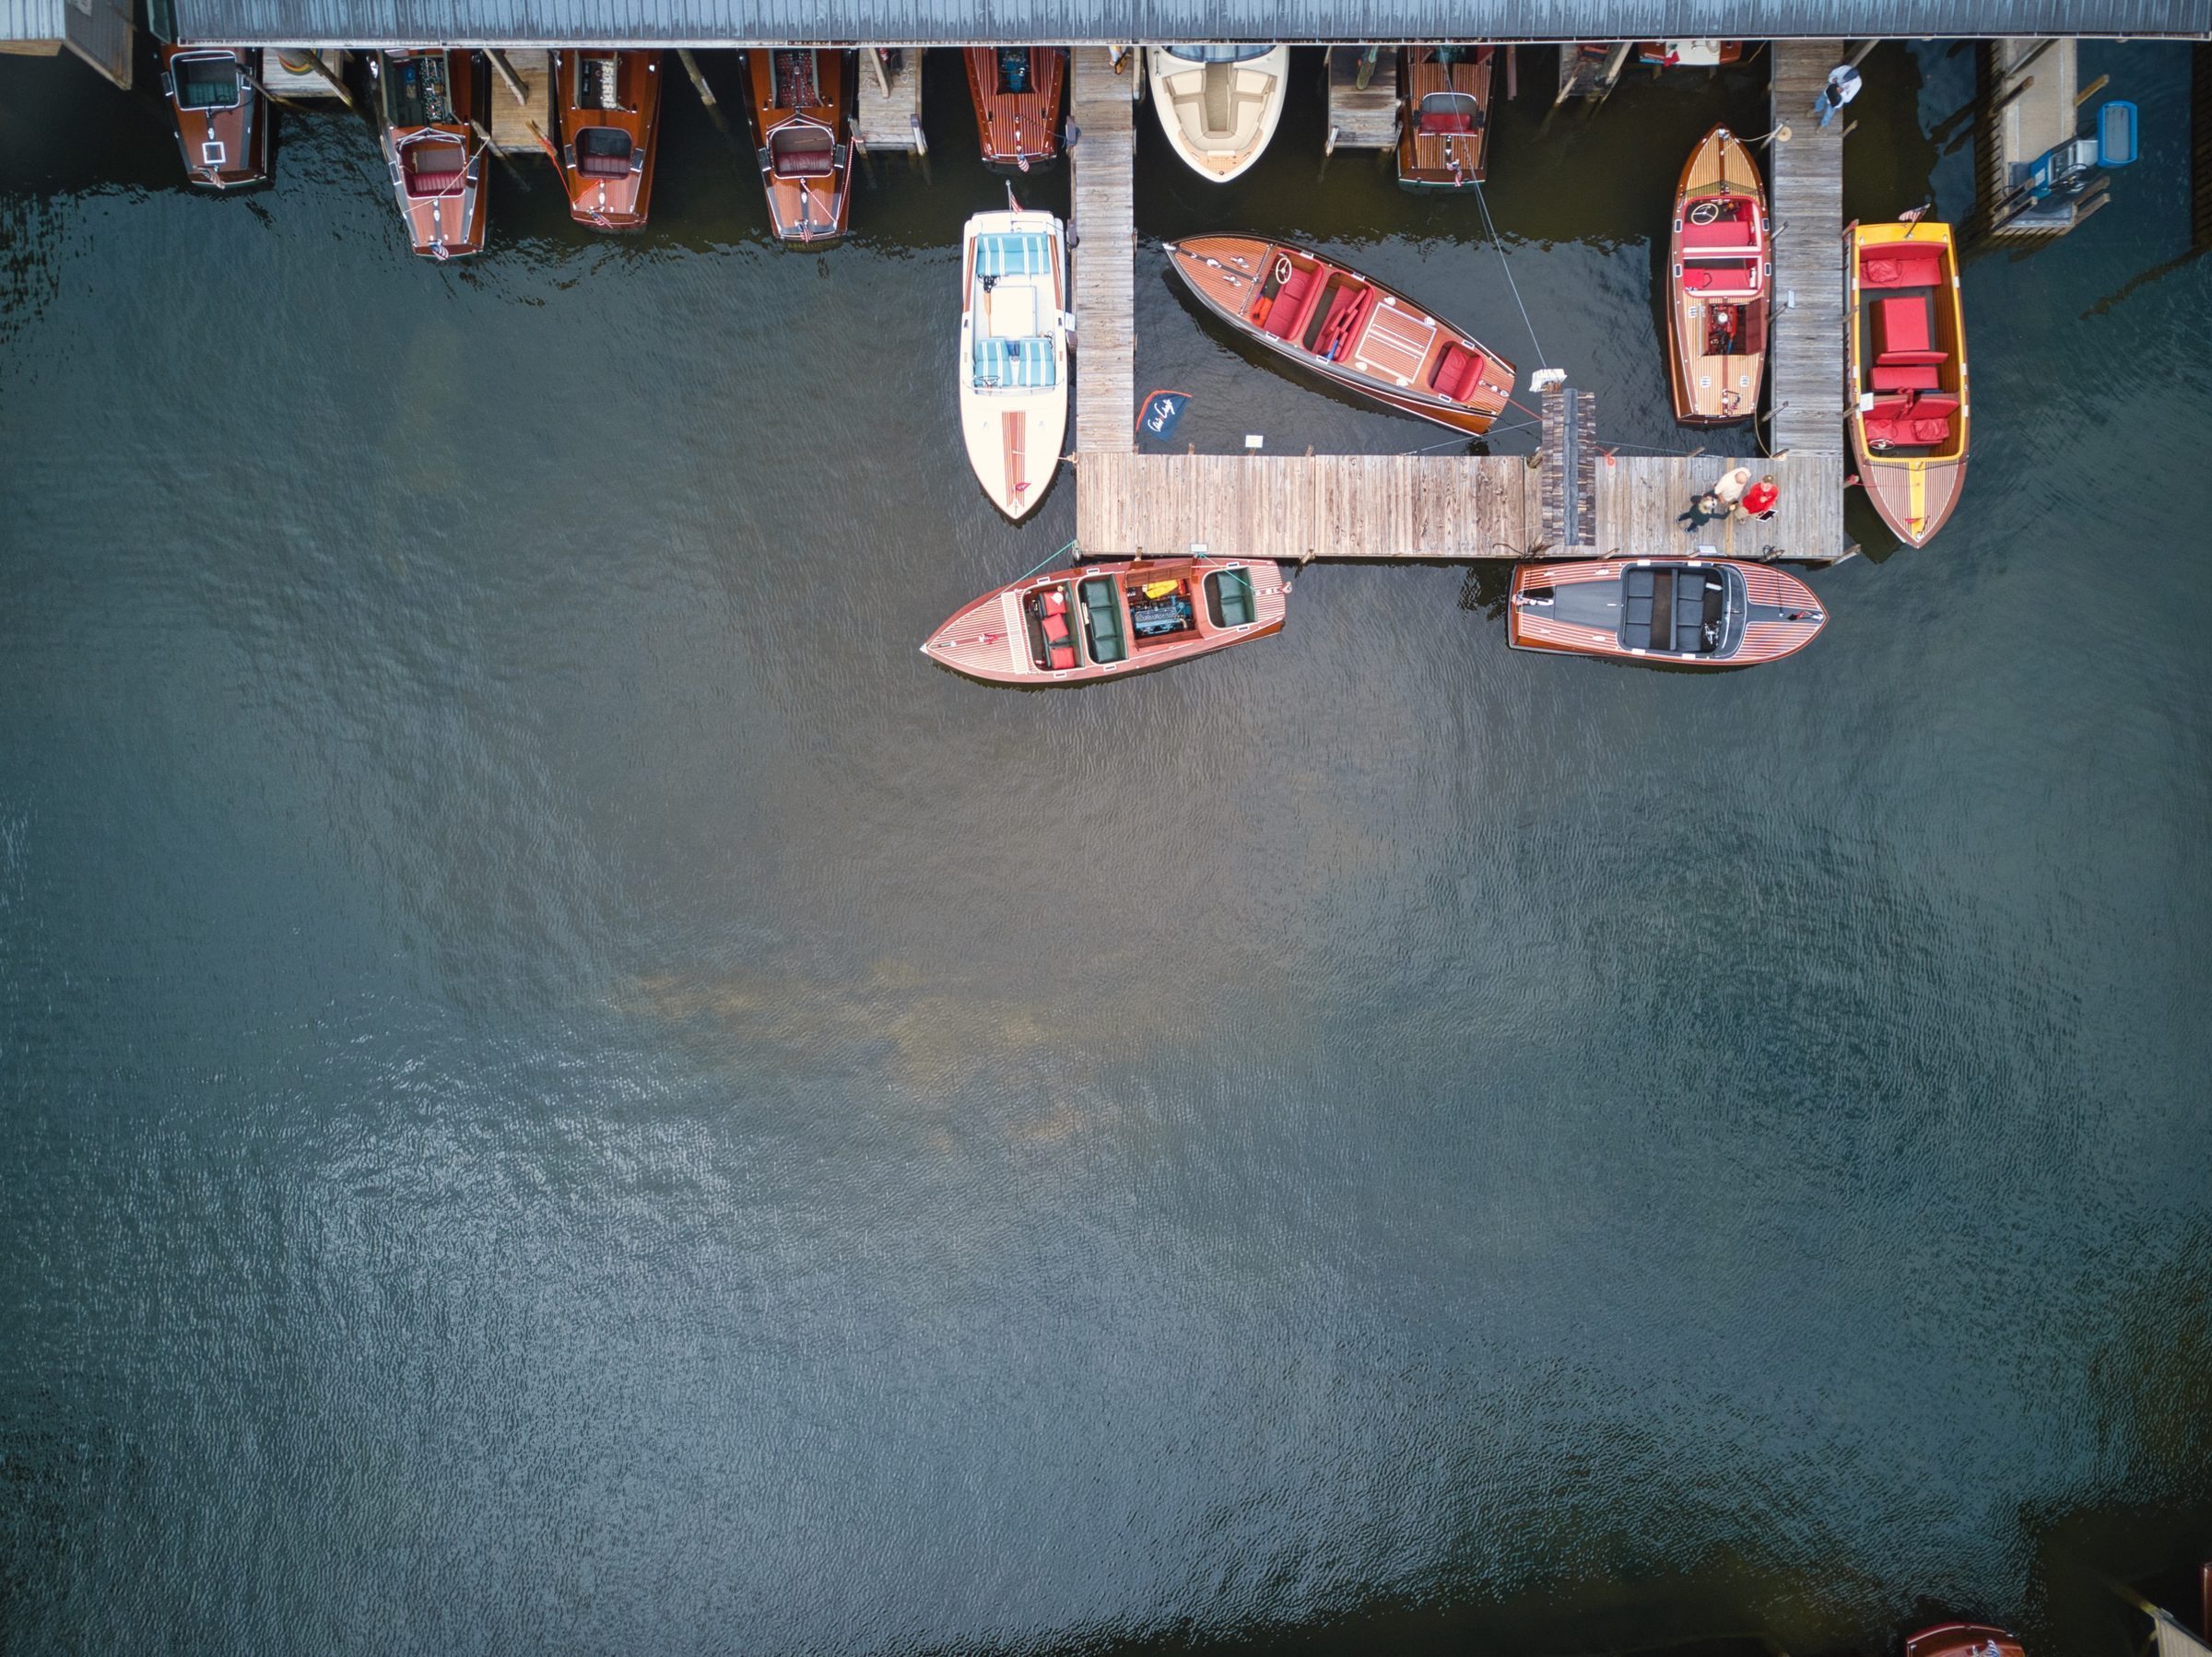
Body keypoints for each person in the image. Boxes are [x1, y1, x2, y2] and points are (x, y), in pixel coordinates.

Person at [1817, 65, 1862, 129]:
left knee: (1829, 113)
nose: (1844, 79)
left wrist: (1842, 92)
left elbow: (1848, 99)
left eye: (1847, 79)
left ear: (1853, 78)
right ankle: (1817, 109)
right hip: (1829, 91)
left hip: (1836, 101)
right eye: (1845, 77)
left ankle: (1823, 124)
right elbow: (1832, 74)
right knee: (1820, 100)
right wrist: (1832, 79)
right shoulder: (1844, 68)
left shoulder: (1858, 84)